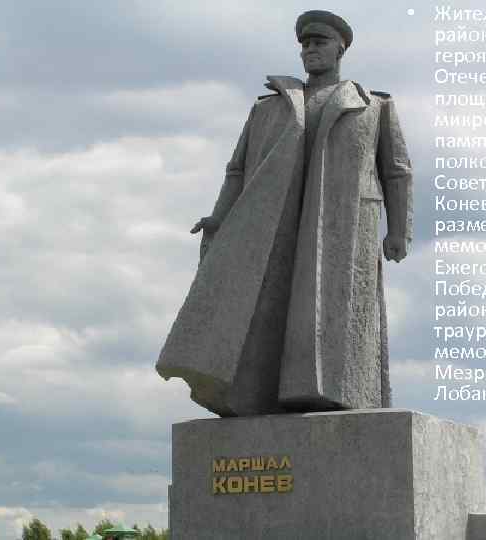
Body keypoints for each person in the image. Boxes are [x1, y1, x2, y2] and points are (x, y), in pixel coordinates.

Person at [156, 10, 413, 416]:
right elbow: (237, 169)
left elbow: (396, 171)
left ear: (340, 49)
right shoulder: (270, 106)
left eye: (319, 42)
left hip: (343, 225)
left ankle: (327, 391)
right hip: (276, 223)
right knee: (264, 309)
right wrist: (220, 217)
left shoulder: (373, 106)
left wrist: (399, 230)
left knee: (336, 313)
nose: (310, 50)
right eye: (305, 44)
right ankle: (254, 392)